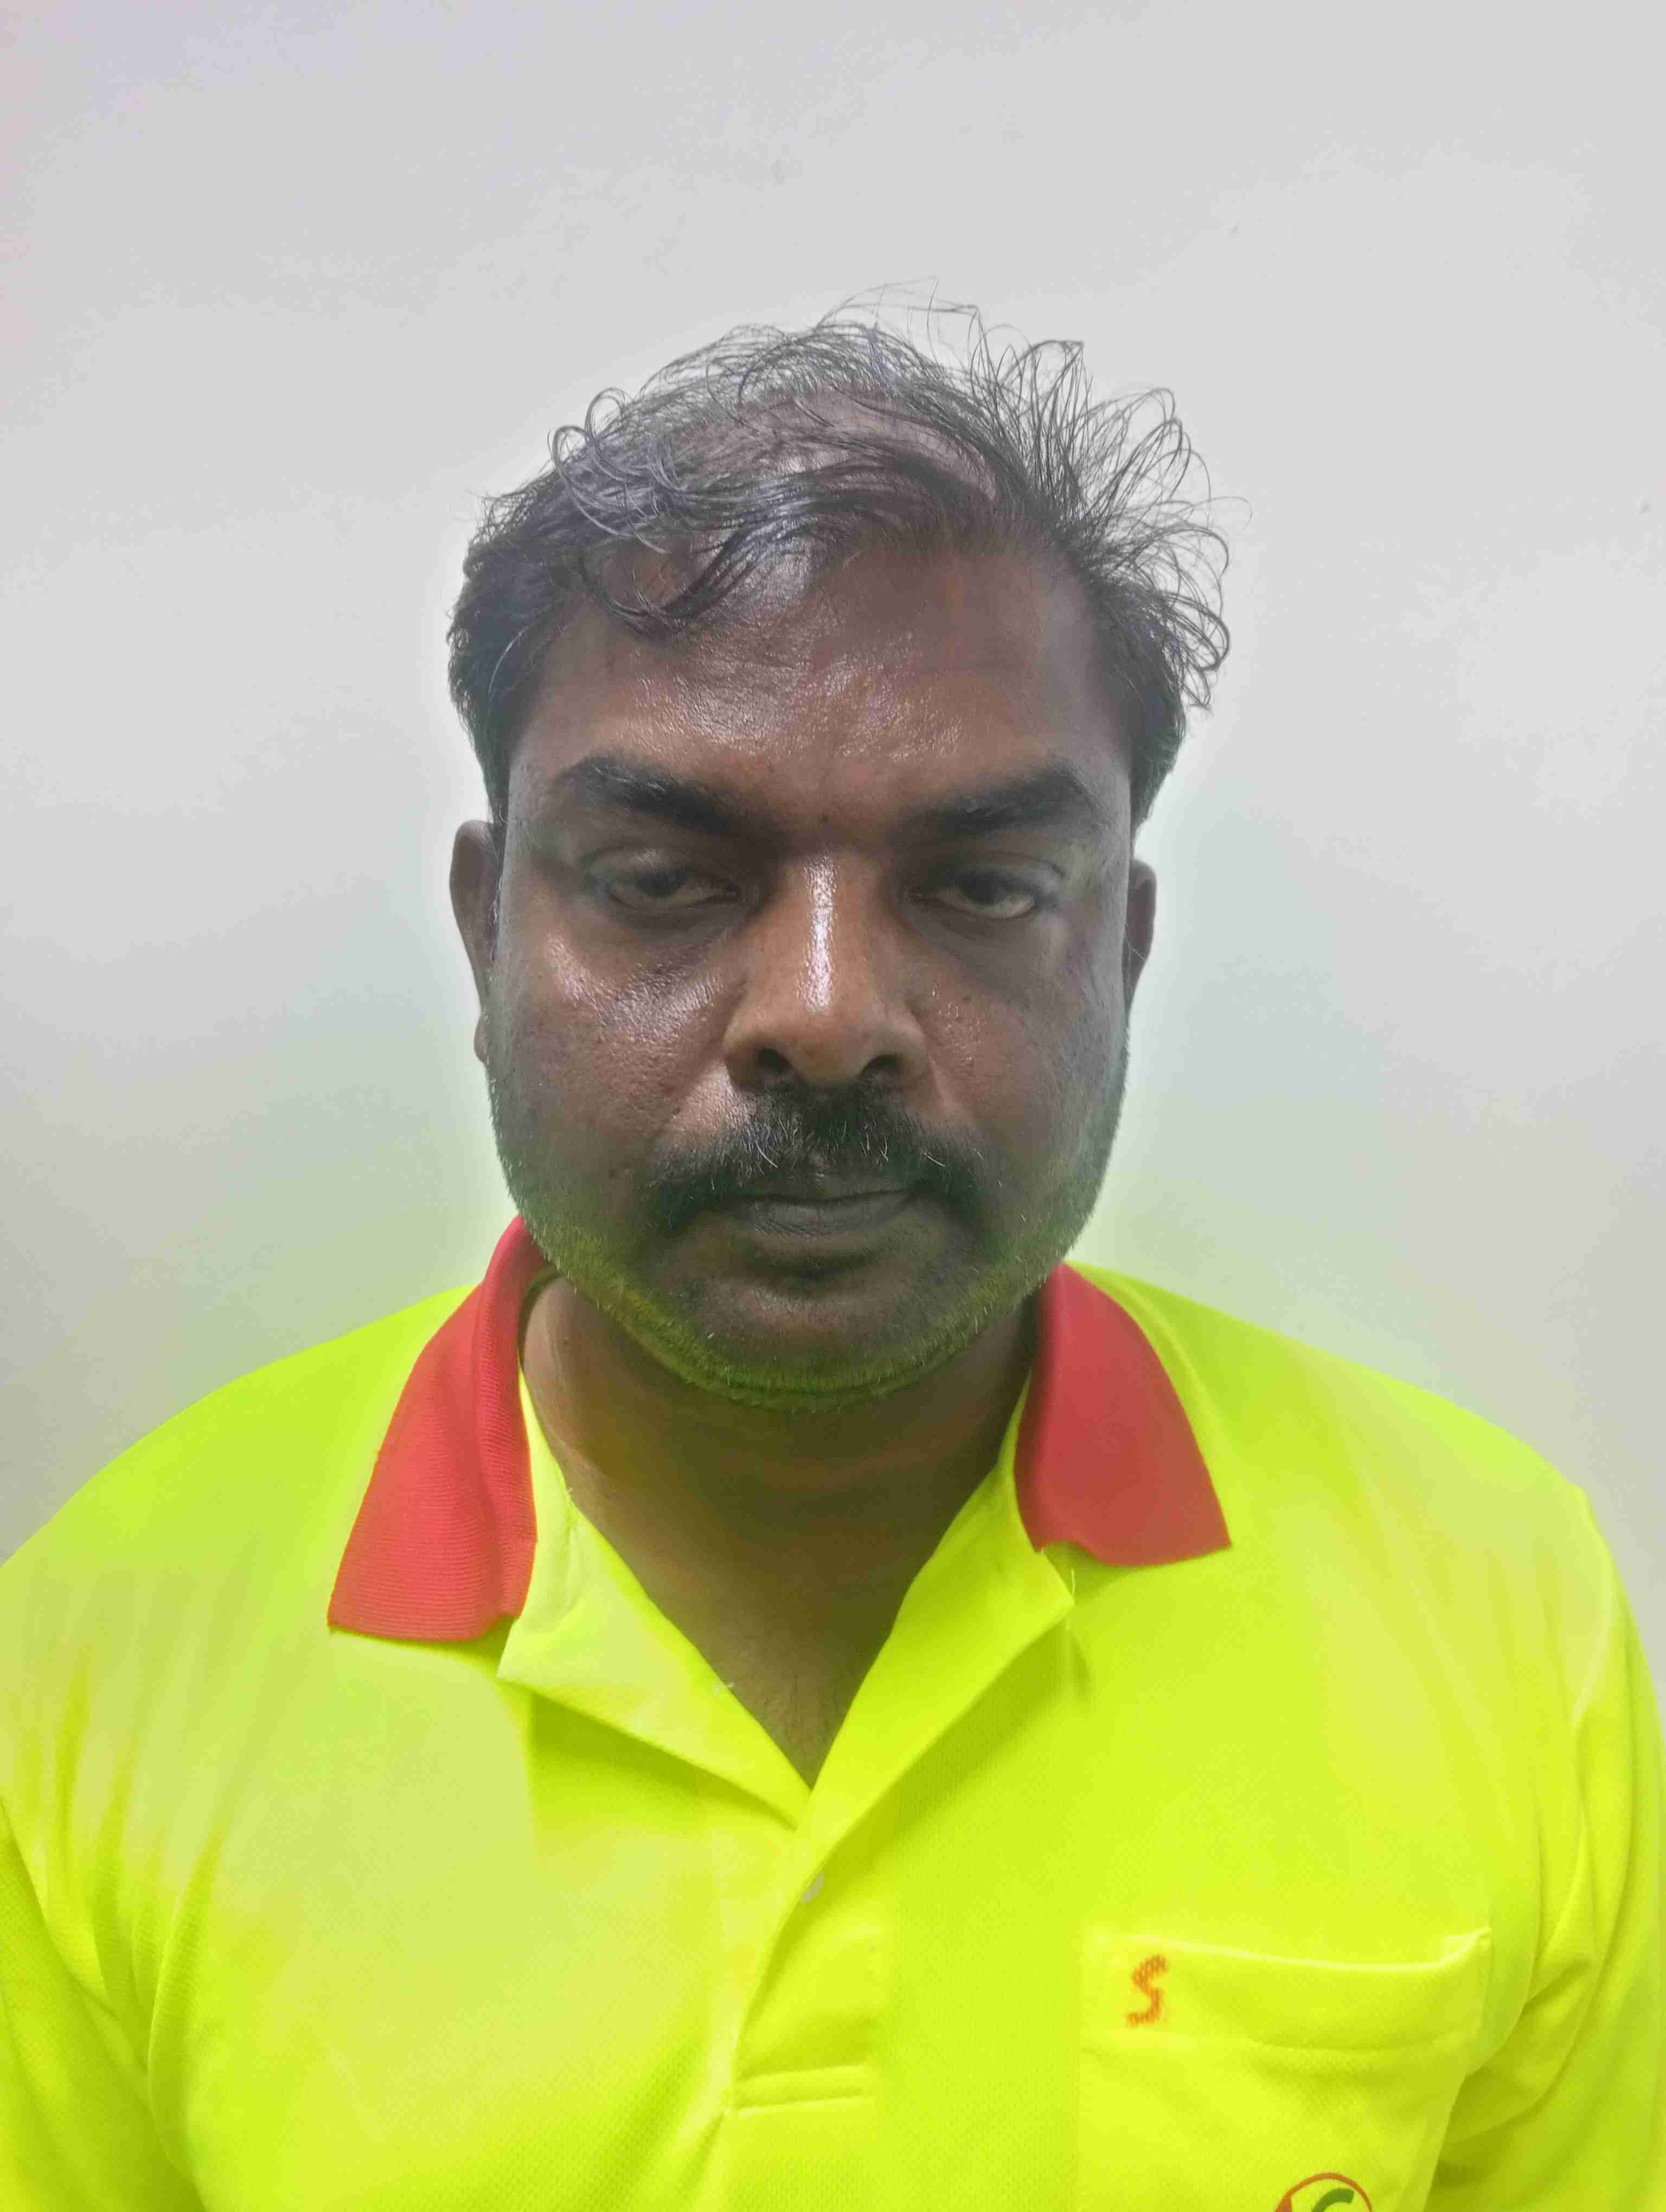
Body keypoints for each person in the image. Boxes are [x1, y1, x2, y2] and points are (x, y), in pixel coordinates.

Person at [2, 298, 1659, 2210]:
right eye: (662, 881)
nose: (823, 1013)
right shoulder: (100, 1662)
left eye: (983, 886)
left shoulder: (1496, 1612)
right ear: (485, 937)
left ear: (1121, 954)